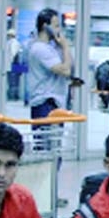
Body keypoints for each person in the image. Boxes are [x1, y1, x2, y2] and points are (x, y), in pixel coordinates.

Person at [26, 9, 73, 138]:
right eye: (56, 26)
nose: (59, 30)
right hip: (45, 102)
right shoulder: (40, 49)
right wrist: (65, 47)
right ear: (45, 26)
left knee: (55, 145)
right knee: (46, 147)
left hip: (54, 101)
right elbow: (65, 70)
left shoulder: (50, 47)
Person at [6, 29, 22, 101]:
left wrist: (10, 62)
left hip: (12, 64)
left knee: (13, 81)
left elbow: (13, 53)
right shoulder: (9, 42)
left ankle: (13, 96)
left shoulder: (14, 43)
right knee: (12, 81)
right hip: (10, 63)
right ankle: (12, 95)